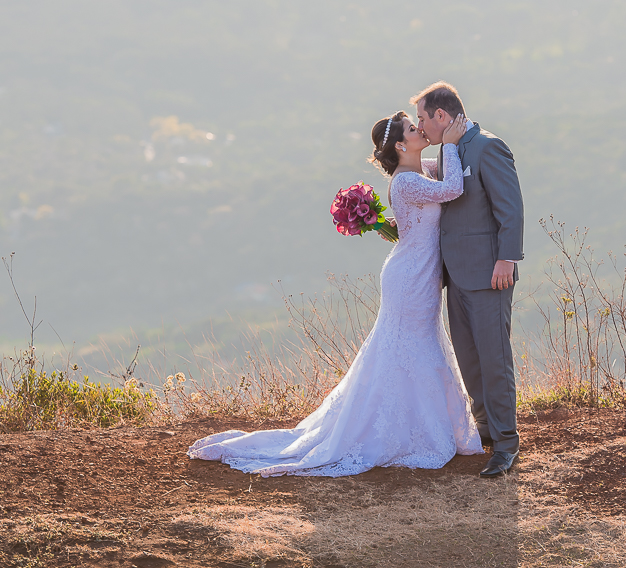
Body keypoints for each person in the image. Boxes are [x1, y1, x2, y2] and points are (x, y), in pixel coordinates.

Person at [187, 110, 482, 476]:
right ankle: (405, 433)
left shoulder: (418, 171)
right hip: (409, 279)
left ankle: (420, 427)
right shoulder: (405, 181)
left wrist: (446, 143)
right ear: (402, 145)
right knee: (411, 348)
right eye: (412, 127)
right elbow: (453, 188)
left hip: (417, 273)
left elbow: (438, 183)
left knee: (414, 347)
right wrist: (451, 145)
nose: (420, 128)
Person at [412, 81, 525, 478]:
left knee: (494, 359)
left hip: (489, 273)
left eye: (424, 118)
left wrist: (506, 260)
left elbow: (510, 208)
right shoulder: (449, 151)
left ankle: (507, 444)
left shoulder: (487, 147)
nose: (421, 126)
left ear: (442, 116)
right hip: (455, 276)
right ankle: (486, 432)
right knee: (469, 359)